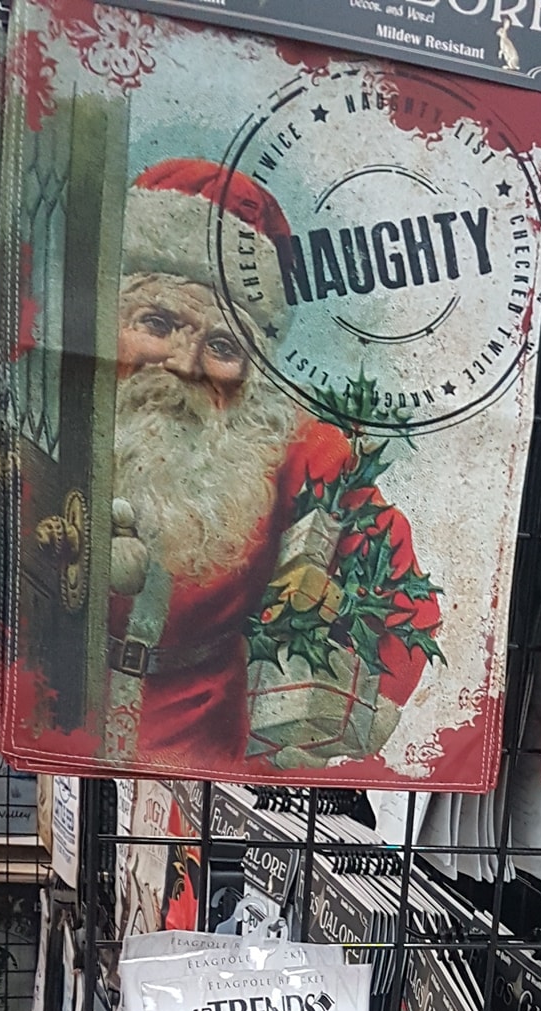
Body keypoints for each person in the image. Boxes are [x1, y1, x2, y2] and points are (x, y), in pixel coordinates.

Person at [107, 159, 440, 770]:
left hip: (212, 758)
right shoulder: (55, 422)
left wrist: (316, 737)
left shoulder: (295, 450)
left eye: (224, 346)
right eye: (158, 323)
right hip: (56, 730)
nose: (186, 364)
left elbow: (399, 601)